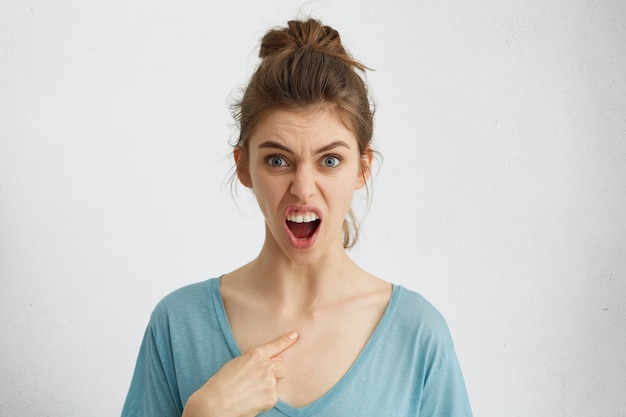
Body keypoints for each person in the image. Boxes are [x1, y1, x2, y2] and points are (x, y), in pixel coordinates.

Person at [121, 18, 472, 417]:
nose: (303, 188)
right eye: (277, 160)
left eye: (330, 160)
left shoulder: (417, 335)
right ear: (244, 167)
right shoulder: (178, 326)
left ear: (362, 167)